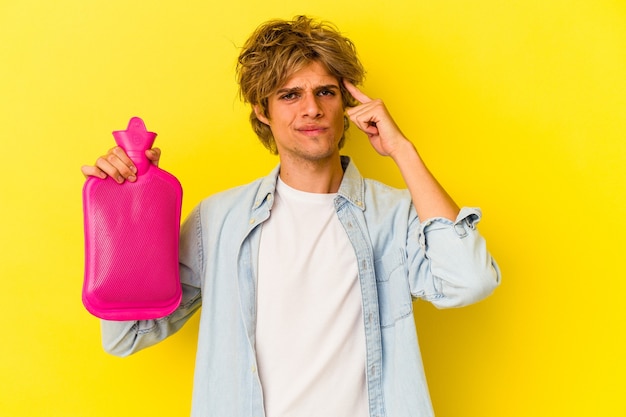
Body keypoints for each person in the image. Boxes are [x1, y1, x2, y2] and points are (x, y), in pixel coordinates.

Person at [82, 15, 500, 417]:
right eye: (289, 95)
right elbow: (126, 335)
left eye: (326, 92)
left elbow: (469, 280)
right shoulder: (219, 220)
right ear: (262, 111)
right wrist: (129, 209)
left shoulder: (393, 216)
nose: (311, 108)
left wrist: (403, 151)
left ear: (346, 104)